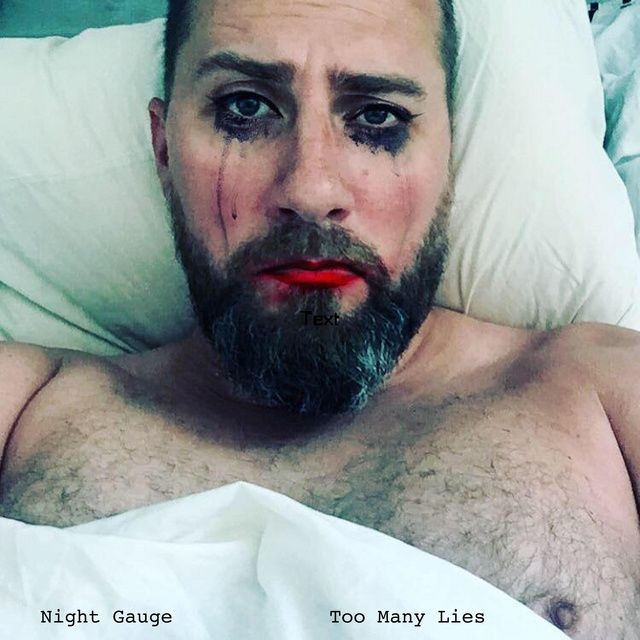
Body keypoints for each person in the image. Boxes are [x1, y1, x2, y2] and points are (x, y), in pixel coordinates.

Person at [0, 0, 638, 635]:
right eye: (245, 108)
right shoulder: (25, 403)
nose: (310, 191)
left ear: (448, 158)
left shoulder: (605, 395)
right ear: (164, 150)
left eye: (377, 116)